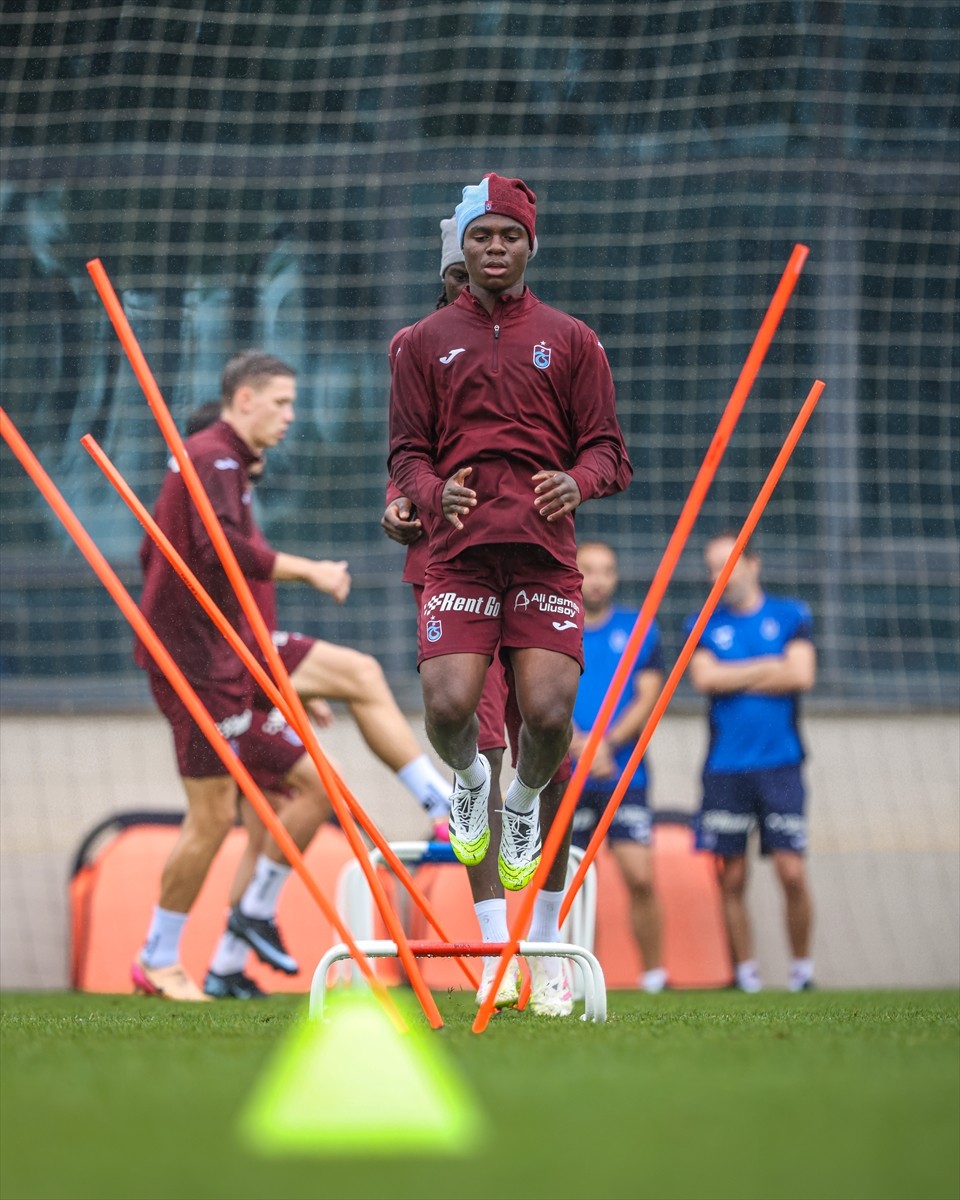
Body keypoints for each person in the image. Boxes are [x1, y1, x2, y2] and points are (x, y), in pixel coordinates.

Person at [388, 174, 632, 1015]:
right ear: (463, 245)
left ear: (532, 244)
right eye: (482, 237)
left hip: (541, 560)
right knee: (454, 714)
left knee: (551, 722)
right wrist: (425, 496)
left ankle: (522, 815)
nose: (495, 249)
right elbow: (406, 456)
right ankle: (471, 796)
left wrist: (577, 479)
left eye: (509, 236)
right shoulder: (421, 341)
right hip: (455, 559)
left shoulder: (571, 340)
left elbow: (609, 450)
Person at [176, 388, 455, 998]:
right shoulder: (214, 482)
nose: (280, 431)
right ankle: (439, 803)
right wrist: (313, 575)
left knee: (269, 818)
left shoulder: (229, 490)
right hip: (231, 663)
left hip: (248, 666)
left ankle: (226, 961)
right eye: (274, 413)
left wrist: (291, 690)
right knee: (359, 676)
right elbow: (223, 584)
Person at [132, 351, 346, 1000]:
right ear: (244, 398)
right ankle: (158, 958)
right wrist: (309, 568)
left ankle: (246, 922)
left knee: (313, 787)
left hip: (223, 668)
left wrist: (275, 686)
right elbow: (219, 555)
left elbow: (184, 564)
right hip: (192, 669)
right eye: (281, 402)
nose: (290, 415)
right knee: (212, 814)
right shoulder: (212, 457)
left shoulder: (226, 465)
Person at [687, 531, 817, 993]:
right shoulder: (702, 623)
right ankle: (747, 975)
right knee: (732, 876)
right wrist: (769, 666)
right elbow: (705, 678)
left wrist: (735, 676)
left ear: (753, 564)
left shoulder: (791, 614)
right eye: (712, 567)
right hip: (725, 768)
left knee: (791, 871)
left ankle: (802, 972)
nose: (720, 575)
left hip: (780, 765)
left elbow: (801, 673)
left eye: (729, 564)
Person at [570, 540, 668, 994]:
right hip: (567, 776)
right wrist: (578, 745)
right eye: (588, 569)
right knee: (573, 886)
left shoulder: (640, 629)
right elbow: (536, 695)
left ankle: (654, 978)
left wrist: (605, 746)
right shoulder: (554, 626)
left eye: (606, 570)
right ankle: (578, 977)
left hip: (625, 774)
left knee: (640, 877)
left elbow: (649, 696)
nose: (597, 578)